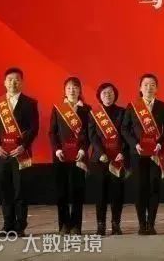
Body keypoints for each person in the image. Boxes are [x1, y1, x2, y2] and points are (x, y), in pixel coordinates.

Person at [0, 67, 39, 237]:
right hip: (2, 155)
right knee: (5, 191)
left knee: (20, 191)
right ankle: (7, 225)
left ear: (21, 82)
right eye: (9, 79)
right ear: (4, 83)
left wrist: (23, 146)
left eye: (16, 79)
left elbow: (34, 128)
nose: (13, 82)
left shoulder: (30, 103)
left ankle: (20, 226)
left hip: (21, 154)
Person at [123, 73, 164, 235]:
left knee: (154, 187)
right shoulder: (132, 106)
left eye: (152, 85)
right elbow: (125, 129)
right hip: (137, 154)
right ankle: (141, 223)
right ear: (140, 88)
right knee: (140, 188)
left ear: (156, 88)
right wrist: (135, 144)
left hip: (156, 155)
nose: (149, 88)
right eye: (145, 85)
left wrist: (160, 143)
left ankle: (151, 223)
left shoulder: (163, 107)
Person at [50, 76, 90, 235]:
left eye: (75, 87)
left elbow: (89, 134)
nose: (72, 90)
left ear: (80, 90)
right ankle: (64, 225)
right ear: (64, 91)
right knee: (61, 191)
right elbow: (52, 132)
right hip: (61, 156)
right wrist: (57, 149)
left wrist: (83, 150)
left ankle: (76, 226)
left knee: (77, 191)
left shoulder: (86, 109)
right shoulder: (58, 108)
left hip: (79, 156)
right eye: (69, 88)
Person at [89, 82, 127, 236]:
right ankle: (101, 225)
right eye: (104, 93)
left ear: (115, 94)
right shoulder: (94, 114)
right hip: (100, 160)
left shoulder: (122, 112)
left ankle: (116, 224)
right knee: (100, 194)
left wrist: (122, 151)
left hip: (117, 158)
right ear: (99, 96)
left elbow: (125, 133)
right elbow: (92, 136)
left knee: (117, 193)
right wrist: (100, 153)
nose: (108, 95)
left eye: (110, 92)